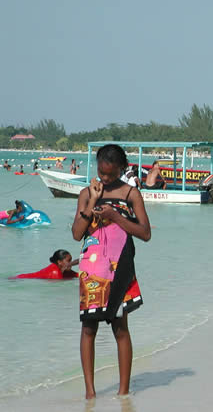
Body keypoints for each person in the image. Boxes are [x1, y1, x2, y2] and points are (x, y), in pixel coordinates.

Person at [71, 144, 151, 399]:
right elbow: (76, 234)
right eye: (100, 173)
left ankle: (123, 392)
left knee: (121, 328)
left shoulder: (131, 195)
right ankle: (90, 393)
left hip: (120, 267)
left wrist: (116, 217)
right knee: (88, 329)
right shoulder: (86, 193)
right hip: (92, 270)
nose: (104, 179)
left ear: (122, 169)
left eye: (110, 174)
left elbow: (145, 233)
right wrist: (93, 200)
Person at [11, 249, 79, 279]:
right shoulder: (54, 272)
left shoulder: (64, 270)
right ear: (59, 262)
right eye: (69, 261)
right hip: (21, 279)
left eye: (71, 260)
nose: (71, 263)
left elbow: (79, 275)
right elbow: (59, 288)